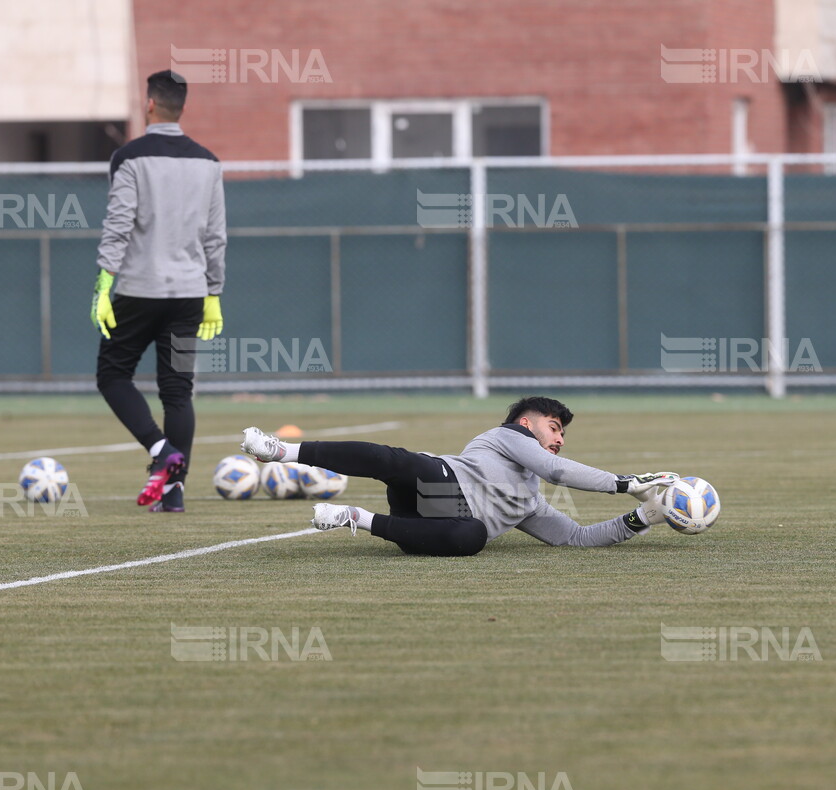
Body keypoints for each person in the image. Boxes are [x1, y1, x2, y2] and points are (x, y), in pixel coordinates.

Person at [239, 396, 679, 556]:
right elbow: (555, 469)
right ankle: (282, 450)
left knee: (472, 538)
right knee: (398, 461)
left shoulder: (529, 503)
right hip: (436, 481)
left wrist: (643, 517)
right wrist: (625, 483)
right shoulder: (504, 437)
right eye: (555, 427)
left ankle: (354, 517)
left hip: (431, 527)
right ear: (527, 424)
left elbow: (575, 538)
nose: (560, 438)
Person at [92, 70, 227, 513]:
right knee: (177, 391)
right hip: (190, 293)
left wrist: (104, 282)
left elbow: (119, 224)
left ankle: (159, 451)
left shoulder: (129, 158)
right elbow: (215, 236)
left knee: (112, 375)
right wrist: (214, 293)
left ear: (149, 105)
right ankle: (174, 491)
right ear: (181, 108)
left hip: (138, 288)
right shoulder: (209, 162)